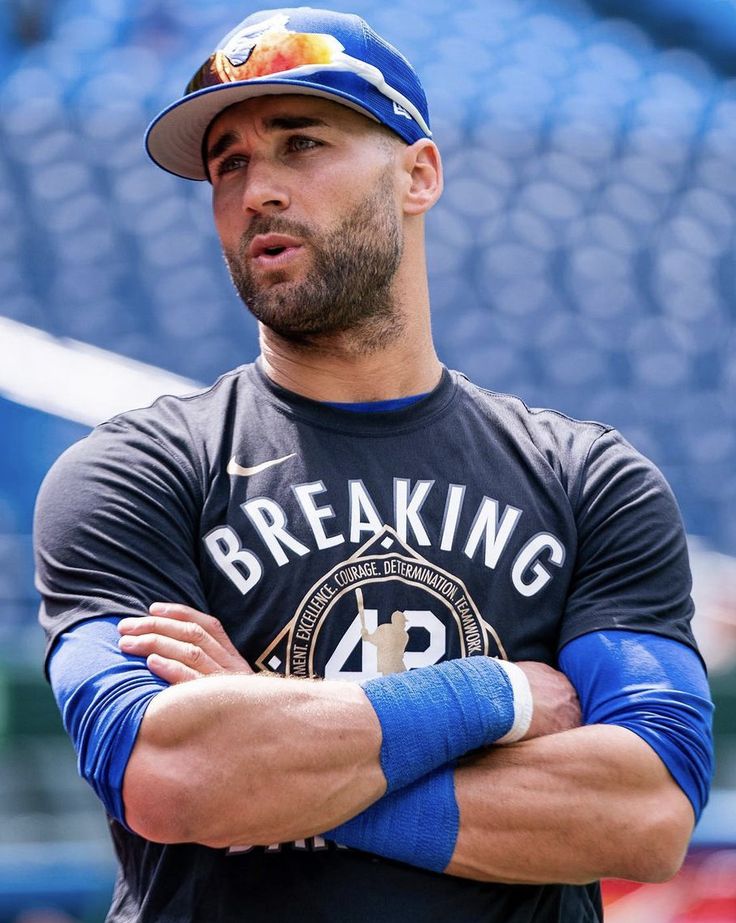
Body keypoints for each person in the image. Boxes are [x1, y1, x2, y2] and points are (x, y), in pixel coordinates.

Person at [34, 7, 714, 922]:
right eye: (228, 163)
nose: (256, 190)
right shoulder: (131, 473)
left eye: (300, 142)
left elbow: (646, 813)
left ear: (419, 174)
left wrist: (269, 742)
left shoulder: (589, 479)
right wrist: (502, 694)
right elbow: (175, 776)